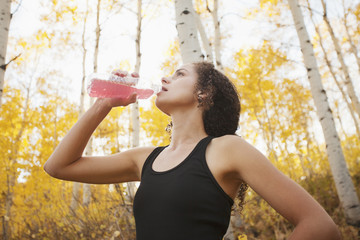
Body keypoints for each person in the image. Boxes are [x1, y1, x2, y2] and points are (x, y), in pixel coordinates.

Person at [44, 61, 341, 240]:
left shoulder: (228, 149)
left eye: (179, 74)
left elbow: (319, 226)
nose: (164, 79)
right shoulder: (145, 158)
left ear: (204, 93)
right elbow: (59, 167)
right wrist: (103, 105)